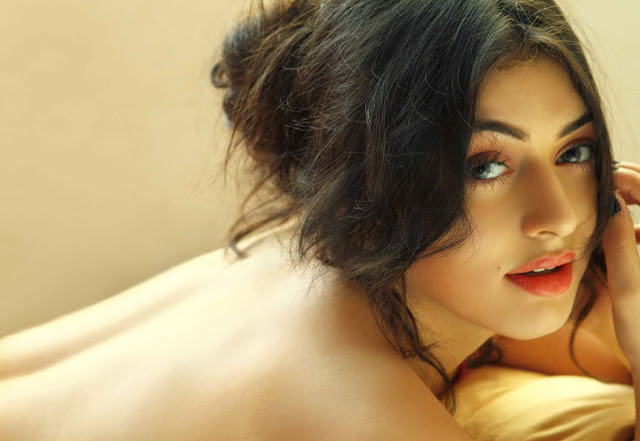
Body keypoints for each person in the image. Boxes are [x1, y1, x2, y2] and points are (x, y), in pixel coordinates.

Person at [0, 0, 638, 440]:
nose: (557, 216)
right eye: (485, 166)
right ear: (366, 180)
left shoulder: (331, 261)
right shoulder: (360, 407)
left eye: (574, 152)